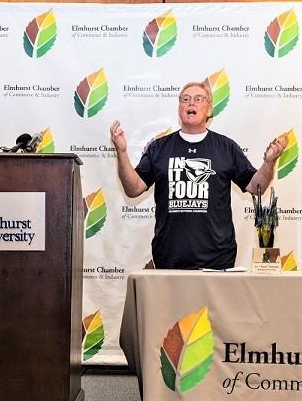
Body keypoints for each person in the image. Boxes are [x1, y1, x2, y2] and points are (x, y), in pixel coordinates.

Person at [110, 81, 288, 270]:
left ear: (209, 110)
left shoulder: (226, 147)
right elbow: (133, 188)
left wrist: (269, 163)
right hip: (169, 259)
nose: (191, 103)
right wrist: (122, 152)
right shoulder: (158, 148)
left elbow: (255, 187)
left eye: (198, 99)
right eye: (185, 99)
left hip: (217, 260)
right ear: (179, 108)